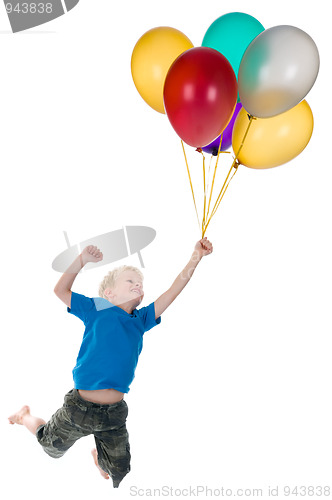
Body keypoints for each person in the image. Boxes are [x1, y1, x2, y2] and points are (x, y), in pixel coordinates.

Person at [8, 237, 213, 487]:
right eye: (131, 281)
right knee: (50, 447)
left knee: (119, 472)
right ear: (109, 293)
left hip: (113, 414)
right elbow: (60, 291)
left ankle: (99, 456)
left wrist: (196, 257)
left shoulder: (142, 318)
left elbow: (173, 290)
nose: (138, 285)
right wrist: (81, 260)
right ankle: (24, 416)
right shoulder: (97, 308)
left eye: (140, 284)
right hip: (79, 408)